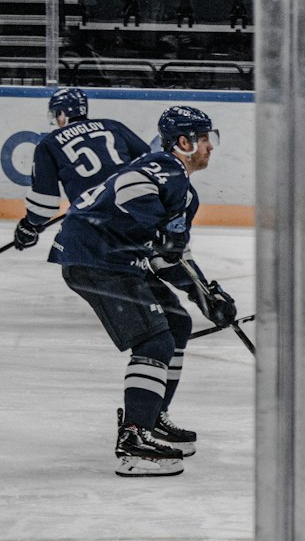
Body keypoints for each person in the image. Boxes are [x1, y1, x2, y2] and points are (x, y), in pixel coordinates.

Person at [47, 104, 237, 476]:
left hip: (116, 258)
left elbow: (170, 258)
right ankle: (134, 440)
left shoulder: (182, 188)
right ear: (182, 143)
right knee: (154, 342)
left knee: (177, 322)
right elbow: (130, 193)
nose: (209, 146)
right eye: (203, 139)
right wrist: (156, 226)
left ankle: (152, 416)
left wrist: (205, 295)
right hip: (97, 260)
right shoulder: (161, 168)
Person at [12, 88, 149, 250]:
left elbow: (43, 206)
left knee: (78, 268)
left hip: (94, 223)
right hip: (138, 213)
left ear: (62, 114)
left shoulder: (49, 144)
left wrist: (29, 224)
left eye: (57, 113)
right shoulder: (113, 126)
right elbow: (149, 164)